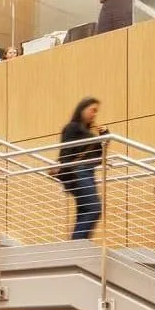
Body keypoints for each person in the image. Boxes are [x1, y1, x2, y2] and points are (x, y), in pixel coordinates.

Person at [57, 97, 107, 241]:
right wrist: (68, 175)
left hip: (88, 172)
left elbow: (100, 155)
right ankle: (76, 246)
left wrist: (104, 135)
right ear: (82, 109)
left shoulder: (89, 133)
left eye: (96, 111)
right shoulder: (72, 127)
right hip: (78, 172)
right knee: (94, 208)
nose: (94, 114)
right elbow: (65, 152)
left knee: (85, 210)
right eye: (92, 110)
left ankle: (80, 245)